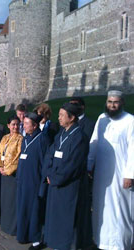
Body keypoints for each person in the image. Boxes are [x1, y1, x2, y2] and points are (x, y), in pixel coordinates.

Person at [88, 90, 134, 250]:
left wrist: (130, 174)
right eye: (109, 102)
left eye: (115, 102)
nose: (112, 105)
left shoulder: (130, 120)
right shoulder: (102, 119)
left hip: (120, 175)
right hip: (101, 175)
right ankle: (101, 242)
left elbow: (133, 149)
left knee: (120, 210)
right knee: (101, 207)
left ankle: (121, 244)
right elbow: (94, 141)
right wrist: (89, 164)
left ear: (122, 103)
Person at [42, 103, 92, 250]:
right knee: (56, 217)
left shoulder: (80, 137)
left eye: (62, 115)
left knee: (68, 219)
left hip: (69, 185)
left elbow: (73, 164)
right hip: (54, 182)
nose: (59, 118)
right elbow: (49, 155)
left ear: (72, 117)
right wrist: (49, 174)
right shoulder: (60, 134)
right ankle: (56, 244)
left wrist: (56, 178)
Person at [16, 112, 50, 248]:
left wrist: (42, 185)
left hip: (35, 182)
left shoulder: (43, 139)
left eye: (26, 124)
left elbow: (45, 164)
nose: (23, 126)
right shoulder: (25, 139)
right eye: (23, 123)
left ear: (35, 126)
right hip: (23, 181)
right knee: (23, 209)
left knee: (34, 211)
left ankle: (36, 239)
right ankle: (23, 235)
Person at [0, 115, 23, 236]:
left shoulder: (21, 139)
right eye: (13, 124)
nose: (15, 127)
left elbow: (18, 157)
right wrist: (0, 166)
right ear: (8, 126)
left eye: (17, 124)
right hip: (3, 174)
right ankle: (5, 225)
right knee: (5, 200)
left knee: (12, 201)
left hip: (12, 175)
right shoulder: (5, 137)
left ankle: (13, 227)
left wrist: (8, 170)